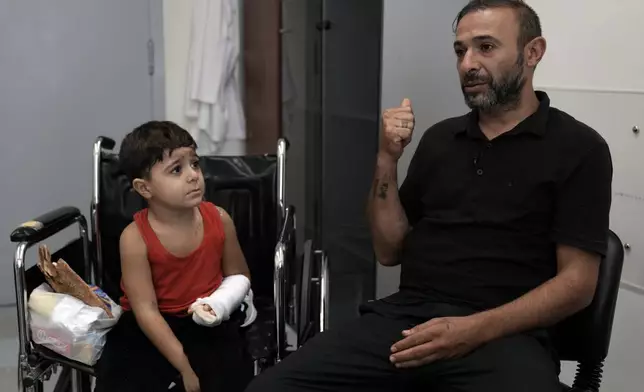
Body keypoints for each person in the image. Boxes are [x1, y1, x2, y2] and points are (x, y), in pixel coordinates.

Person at [245, 1, 612, 391]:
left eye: (485, 47)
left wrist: (473, 329)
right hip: (406, 322)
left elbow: (577, 284)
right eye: (460, 50)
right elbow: (389, 251)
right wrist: (387, 157)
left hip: (504, 335)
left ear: (532, 52)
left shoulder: (579, 148)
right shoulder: (441, 140)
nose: (468, 63)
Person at [95, 121, 254, 392]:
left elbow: (239, 278)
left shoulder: (219, 219)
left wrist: (218, 305)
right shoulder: (134, 238)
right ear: (144, 188)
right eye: (176, 170)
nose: (193, 175)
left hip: (206, 316)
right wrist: (183, 366)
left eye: (195, 164)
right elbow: (146, 312)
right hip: (150, 322)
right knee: (121, 375)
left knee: (228, 374)